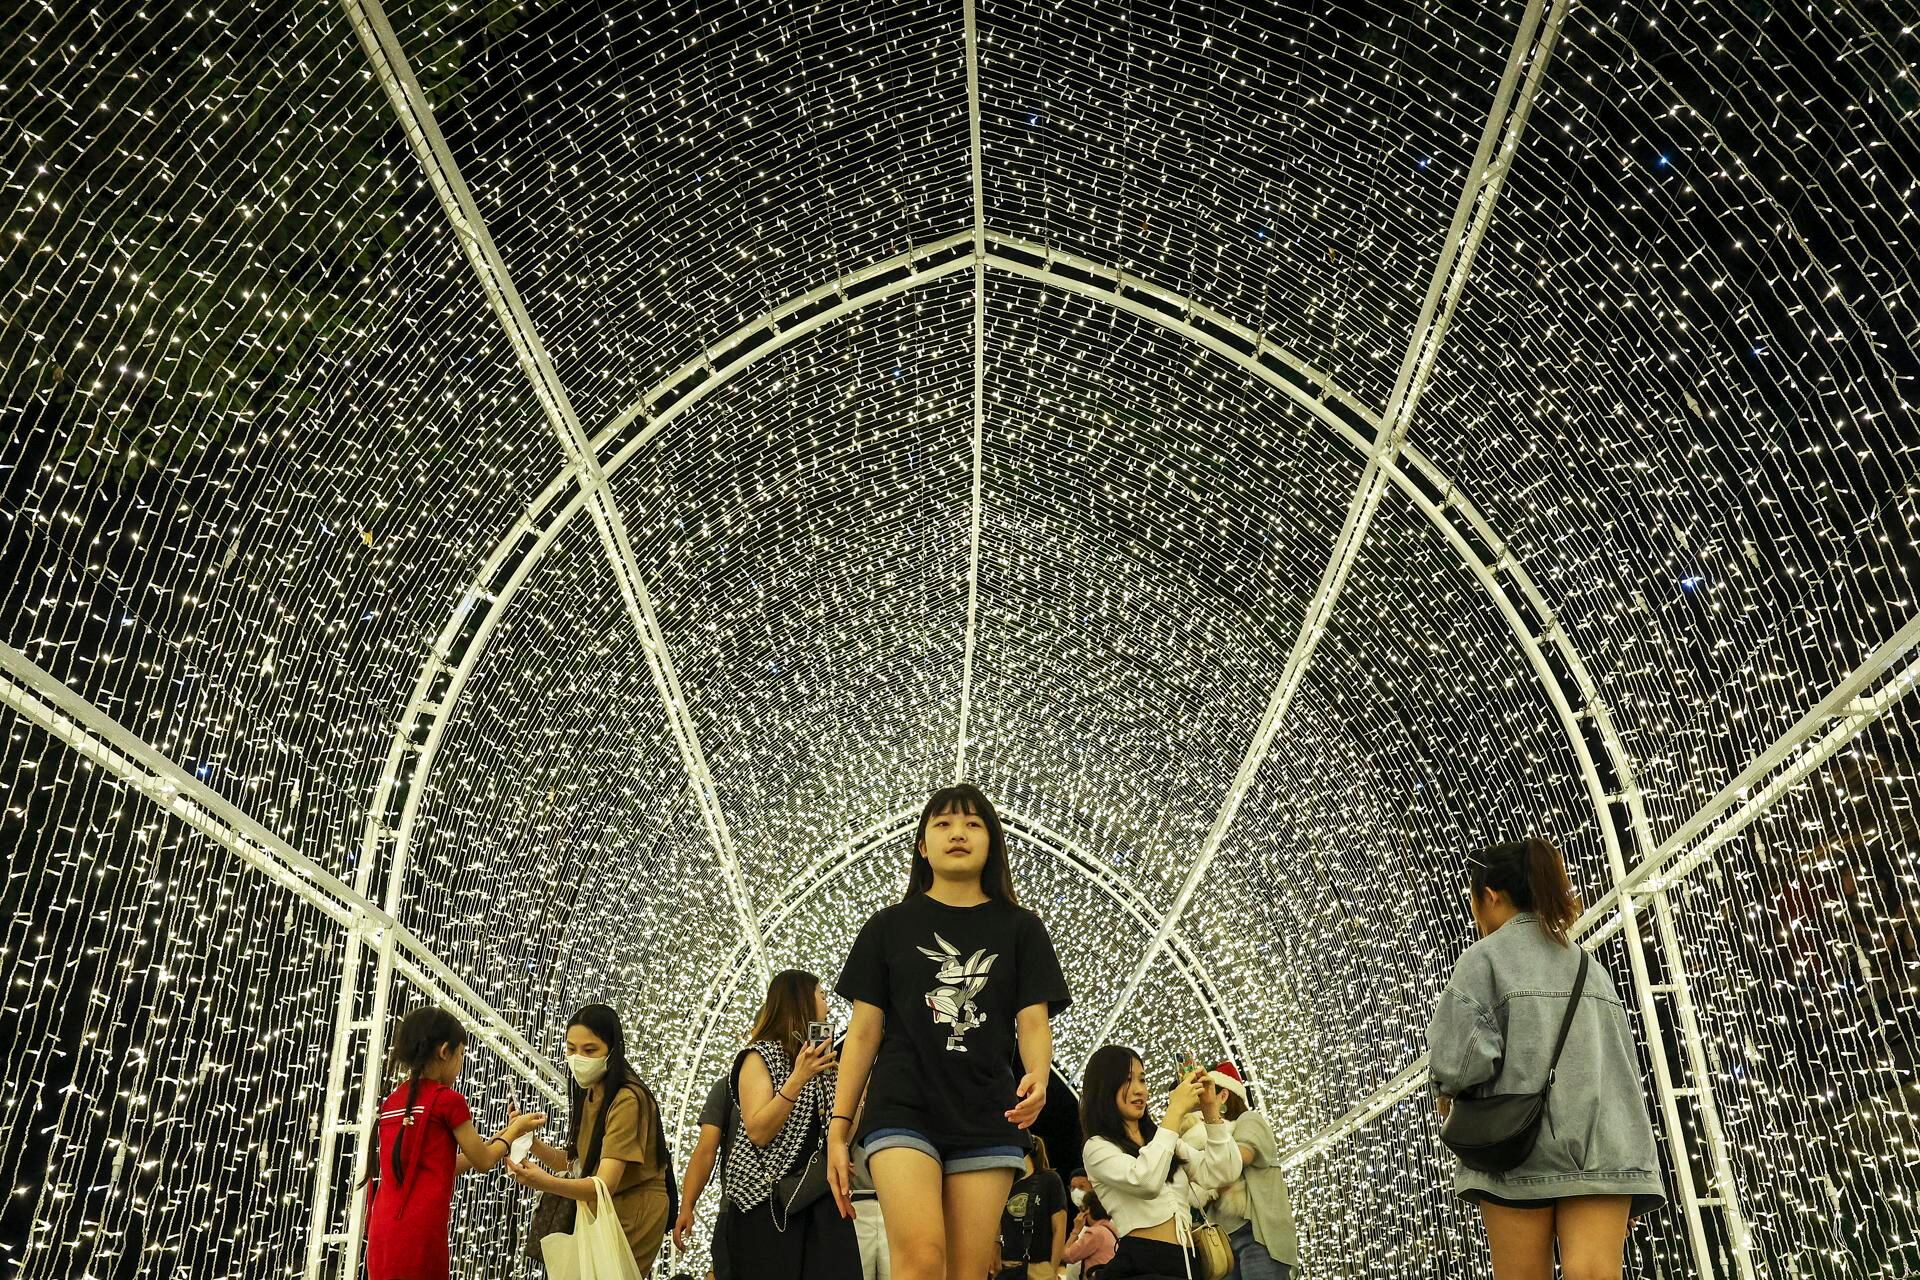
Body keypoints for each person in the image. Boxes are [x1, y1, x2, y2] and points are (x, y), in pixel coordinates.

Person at [827, 783, 1073, 1280]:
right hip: (902, 1105)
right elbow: (863, 1034)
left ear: (992, 844)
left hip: (987, 1110)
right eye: (942, 824)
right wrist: (838, 1128)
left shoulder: (1022, 929)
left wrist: (1040, 1077)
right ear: (922, 844)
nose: (957, 833)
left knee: (965, 1271)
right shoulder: (887, 928)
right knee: (920, 1259)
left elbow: (1032, 1021)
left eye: (972, 824)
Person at [1427, 837, 1665, 1280]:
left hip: (1519, 1152)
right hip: (1603, 1151)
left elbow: (1458, 1061)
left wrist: (1446, 1091)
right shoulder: (1589, 968)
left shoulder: (1485, 959)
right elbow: (1623, 1070)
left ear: (1491, 896)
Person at [361, 1006, 546, 1280]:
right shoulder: (447, 1100)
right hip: (421, 1228)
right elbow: (483, 1161)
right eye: (461, 1055)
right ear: (445, 1051)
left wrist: (501, 1137)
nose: (461, 1064)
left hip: (383, 1227)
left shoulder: (392, 1102)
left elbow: (440, 1163)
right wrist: (514, 1130)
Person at [506, 1003, 673, 1274]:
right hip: (603, 1212)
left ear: (613, 1049)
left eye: (590, 1050)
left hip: (631, 1213)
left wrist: (544, 1182)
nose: (578, 1058)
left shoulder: (627, 1099)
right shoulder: (591, 1091)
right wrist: (532, 1143)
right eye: (571, 1049)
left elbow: (603, 1184)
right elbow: (578, 1164)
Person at [720, 969, 860, 1278]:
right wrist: (798, 1077)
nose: (828, 1005)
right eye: (822, 996)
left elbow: (844, 1132)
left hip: (816, 1193)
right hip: (763, 1200)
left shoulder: (827, 1063)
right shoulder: (760, 1056)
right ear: (800, 1001)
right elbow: (757, 1131)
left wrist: (858, 1085)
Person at [1079, 1046, 1240, 1280]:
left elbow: (1223, 1173)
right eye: (1127, 1080)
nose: (1139, 1090)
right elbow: (1146, 1181)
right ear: (1103, 1088)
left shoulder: (1162, 1139)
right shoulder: (1097, 1147)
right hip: (1142, 1264)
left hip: (1189, 1261)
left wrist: (1210, 1110)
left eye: (1142, 1080)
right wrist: (1174, 1112)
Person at [1200, 1061, 1298, 1280]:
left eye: (1207, 1096)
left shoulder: (1249, 1120)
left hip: (1257, 1236)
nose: (1202, 1104)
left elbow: (1236, 1160)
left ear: (1223, 1096)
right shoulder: (1206, 1134)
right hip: (1223, 1241)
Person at [674, 1071, 735, 1276]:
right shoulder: (729, 1085)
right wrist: (687, 1206)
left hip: (796, 1206)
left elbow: (705, 1151)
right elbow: (705, 1151)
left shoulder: (808, 1078)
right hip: (736, 1211)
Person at [998, 1134, 1068, 1278]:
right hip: (1005, 1267)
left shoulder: (1049, 1180)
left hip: (1038, 1268)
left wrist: (1052, 1269)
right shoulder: (1005, 1182)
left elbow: (1059, 1228)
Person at [1062, 1189, 1117, 1279]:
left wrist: (1075, 1231)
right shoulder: (1111, 1230)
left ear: (1088, 1210)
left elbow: (1066, 1256)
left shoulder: (1095, 1234)